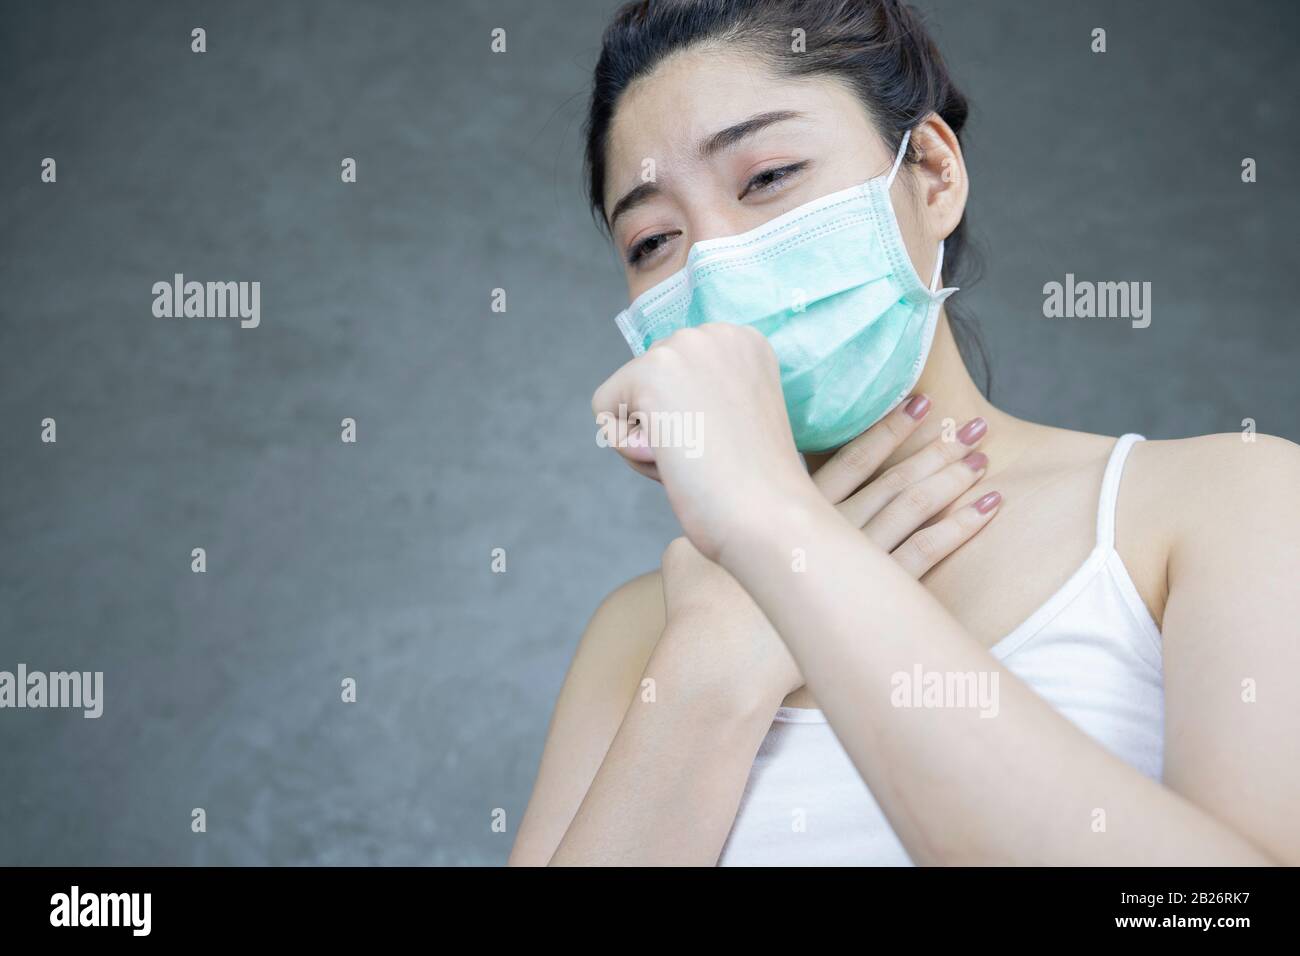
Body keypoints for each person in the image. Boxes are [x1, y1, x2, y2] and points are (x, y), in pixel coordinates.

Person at [509, 0, 1300, 866]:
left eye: (768, 176)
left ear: (931, 172)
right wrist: (715, 664)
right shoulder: (641, 634)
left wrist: (784, 538)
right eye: (654, 238)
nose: (715, 261)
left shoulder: (1226, 504)